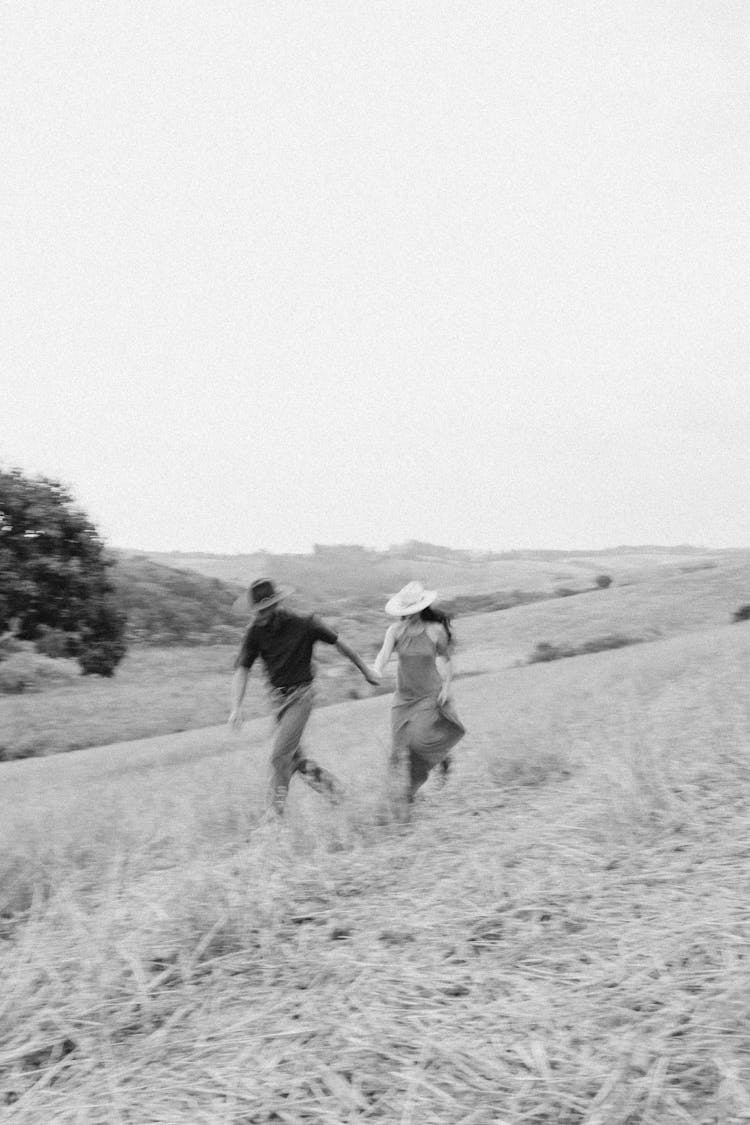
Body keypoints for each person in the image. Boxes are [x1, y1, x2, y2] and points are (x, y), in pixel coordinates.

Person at [229, 579, 379, 816]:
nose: (262, 615)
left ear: (278, 604)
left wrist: (366, 670)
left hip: (302, 697)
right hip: (278, 703)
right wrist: (235, 707)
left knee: (279, 757)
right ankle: (339, 795)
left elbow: (341, 644)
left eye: (267, 610)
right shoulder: (255, 632)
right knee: (296, 761)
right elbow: (242, 669)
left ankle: (273, 819)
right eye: (258, 611)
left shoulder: (305, 624)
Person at [372, 581, 466, 814]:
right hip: (403, 697)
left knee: (417, 741)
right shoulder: (394, 631)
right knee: (397, 750)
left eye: (413, 612)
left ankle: (410, 792)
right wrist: (375, 671)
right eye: (406, 612)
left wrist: (446, 686)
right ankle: (398, 797)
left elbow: (446, 659)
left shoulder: (435, 631)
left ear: (421, 608)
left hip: (428, 694)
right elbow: (383, 655)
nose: (409, 616)